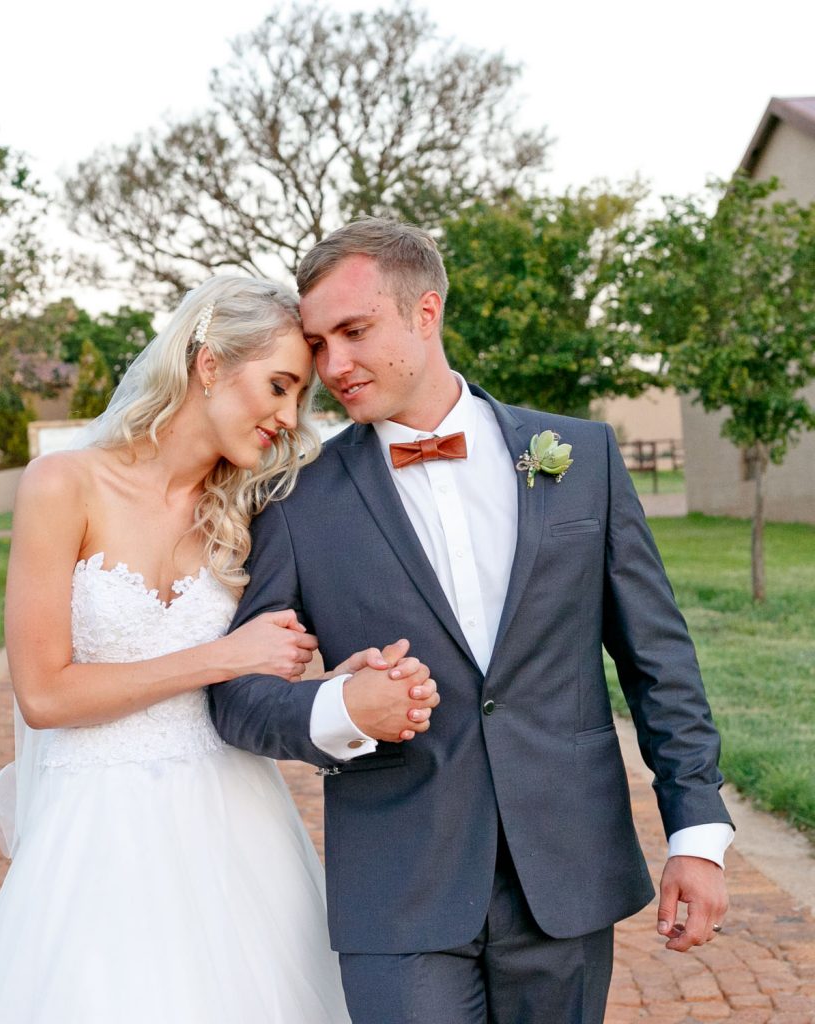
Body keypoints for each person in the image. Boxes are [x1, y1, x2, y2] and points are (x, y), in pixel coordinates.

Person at [210, 219, 734, 1024]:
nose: (334, 366)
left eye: (355, 331)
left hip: (566, 868)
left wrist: (696, 834)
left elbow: (657, 659)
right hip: (398, 882)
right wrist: (339, 709)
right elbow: (237, 696)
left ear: (426, 313)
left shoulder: (579, 458)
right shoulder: (297, 499)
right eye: (318, 344)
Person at [0, 275, 434, 1023]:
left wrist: (344, 684)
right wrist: (222, 657)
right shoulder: (63, 485)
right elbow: (43, 696)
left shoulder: (256, 508)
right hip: (101, 833)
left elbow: (281, 658)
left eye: (299, 397)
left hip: (237, 828)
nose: (288, 416)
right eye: (277, 385)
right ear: (208, 364)